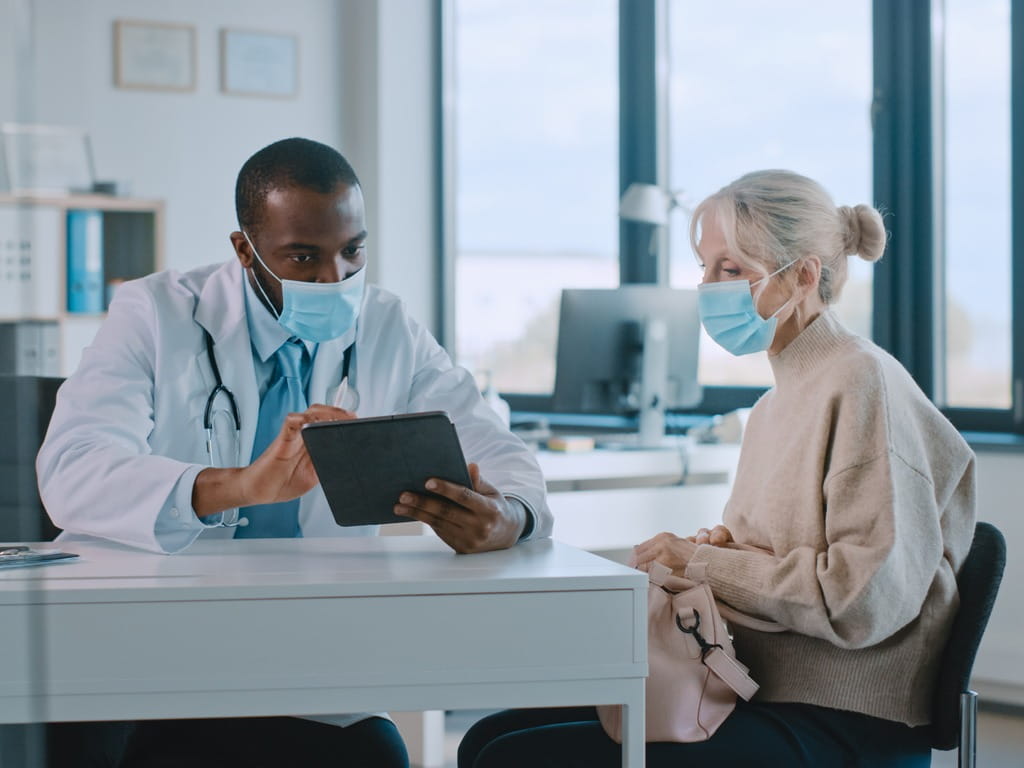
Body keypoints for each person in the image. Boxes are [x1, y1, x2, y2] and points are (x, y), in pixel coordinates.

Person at [36, 137, 553, 768]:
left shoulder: (386, 326)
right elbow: (73, 467)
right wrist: (242, 486)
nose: (333, 279)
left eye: (352, 251)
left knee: (374, 755)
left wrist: (511, 517)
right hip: (153, 639)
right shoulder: (154, 313)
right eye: (303, 256)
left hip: (304, 642)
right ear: (244, 250)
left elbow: (499, 451)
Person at [458, 170, 976, 768]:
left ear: (803, 276)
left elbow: (861, 600)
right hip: (755, 686)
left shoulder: (862, 382)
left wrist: (704, 561)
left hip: (843, 719)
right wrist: (719, 555)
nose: (706, 288)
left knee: (511, 759)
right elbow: (778, 556)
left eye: (729, 269)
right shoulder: (772, 407)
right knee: (486, 739)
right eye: (704, 268)